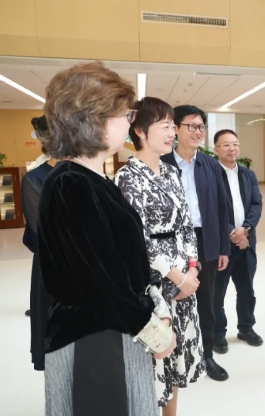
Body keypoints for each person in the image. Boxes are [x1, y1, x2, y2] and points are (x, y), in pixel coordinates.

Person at [38, 61, 175, 416]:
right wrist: (154, 332)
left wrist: (153, 308)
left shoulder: (90, 179)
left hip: (114, 330)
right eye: (124, 115)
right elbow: (101, 282)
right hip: (95, 340)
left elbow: (124, 264)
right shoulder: (72, 183)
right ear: (94, 120)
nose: (129, 123)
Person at [115, 97, 205, 414]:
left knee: (176, 362)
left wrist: (192, 270)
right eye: (164, 126)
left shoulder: (170, 172)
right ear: (140, 131)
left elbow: (186, 225)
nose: (171, 133)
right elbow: (137, 240)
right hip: (154, 285)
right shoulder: (127, 177)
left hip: (183, 282)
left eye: (171, 126)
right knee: (155, 364)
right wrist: (178, 277)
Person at [161, 105, 231, 382]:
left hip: (205, 241)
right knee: (170, 298)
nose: (197, 131)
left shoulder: (210, 164)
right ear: (175, 129)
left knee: (207, 301)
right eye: (191, 126)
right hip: (171, 244)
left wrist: (223, 248)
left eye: (201, 126)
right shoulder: (162, 163)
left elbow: (222, 208)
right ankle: (170, 354)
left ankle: (207, 355)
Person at [212, 129, 264, 353]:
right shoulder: (211, 175)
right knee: (217, 292)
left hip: (247, 243)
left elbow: (256, 204)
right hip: (222, 246)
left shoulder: (248, 174)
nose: (232, 148)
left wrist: (246, 230)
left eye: (235, 144)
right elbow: (211, 210)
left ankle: (246, 328)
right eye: (226, 145)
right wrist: (233, 233)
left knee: (246, 290)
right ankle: (218, 333)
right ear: (216, 149)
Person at [22, 115, 58, 370]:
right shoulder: (35, 180)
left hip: (87, 273)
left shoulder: (85, 175)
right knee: (54, 344)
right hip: (52, 272)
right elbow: (40, 238)